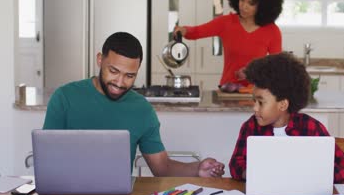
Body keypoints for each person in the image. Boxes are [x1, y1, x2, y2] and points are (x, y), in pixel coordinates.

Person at [43, 32, 225, 177]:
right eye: (113, 71)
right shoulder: (65, 97)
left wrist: (197, 169)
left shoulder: (142, 109)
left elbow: (162, 168)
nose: (120, 82)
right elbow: (47, 160)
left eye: (130, 76)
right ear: (100, 60)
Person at [228, 52, 344, 183]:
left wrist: (312, 172)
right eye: (254, 101)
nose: (255, 108)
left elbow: (341, 167)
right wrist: (250, 173)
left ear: (283, 104)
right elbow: (235, 164)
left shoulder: (311, 128)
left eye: (261, 102)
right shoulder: (250, 127)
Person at [174, 0, 283, 87]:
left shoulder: (272, 31)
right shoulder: (226, 23)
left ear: (262, 5)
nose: (244, 6)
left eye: (251, 3)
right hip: (227, 91)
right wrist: (183, 30)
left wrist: (252, 73)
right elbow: (197, 31)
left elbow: (276, 67)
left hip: (256, 94)